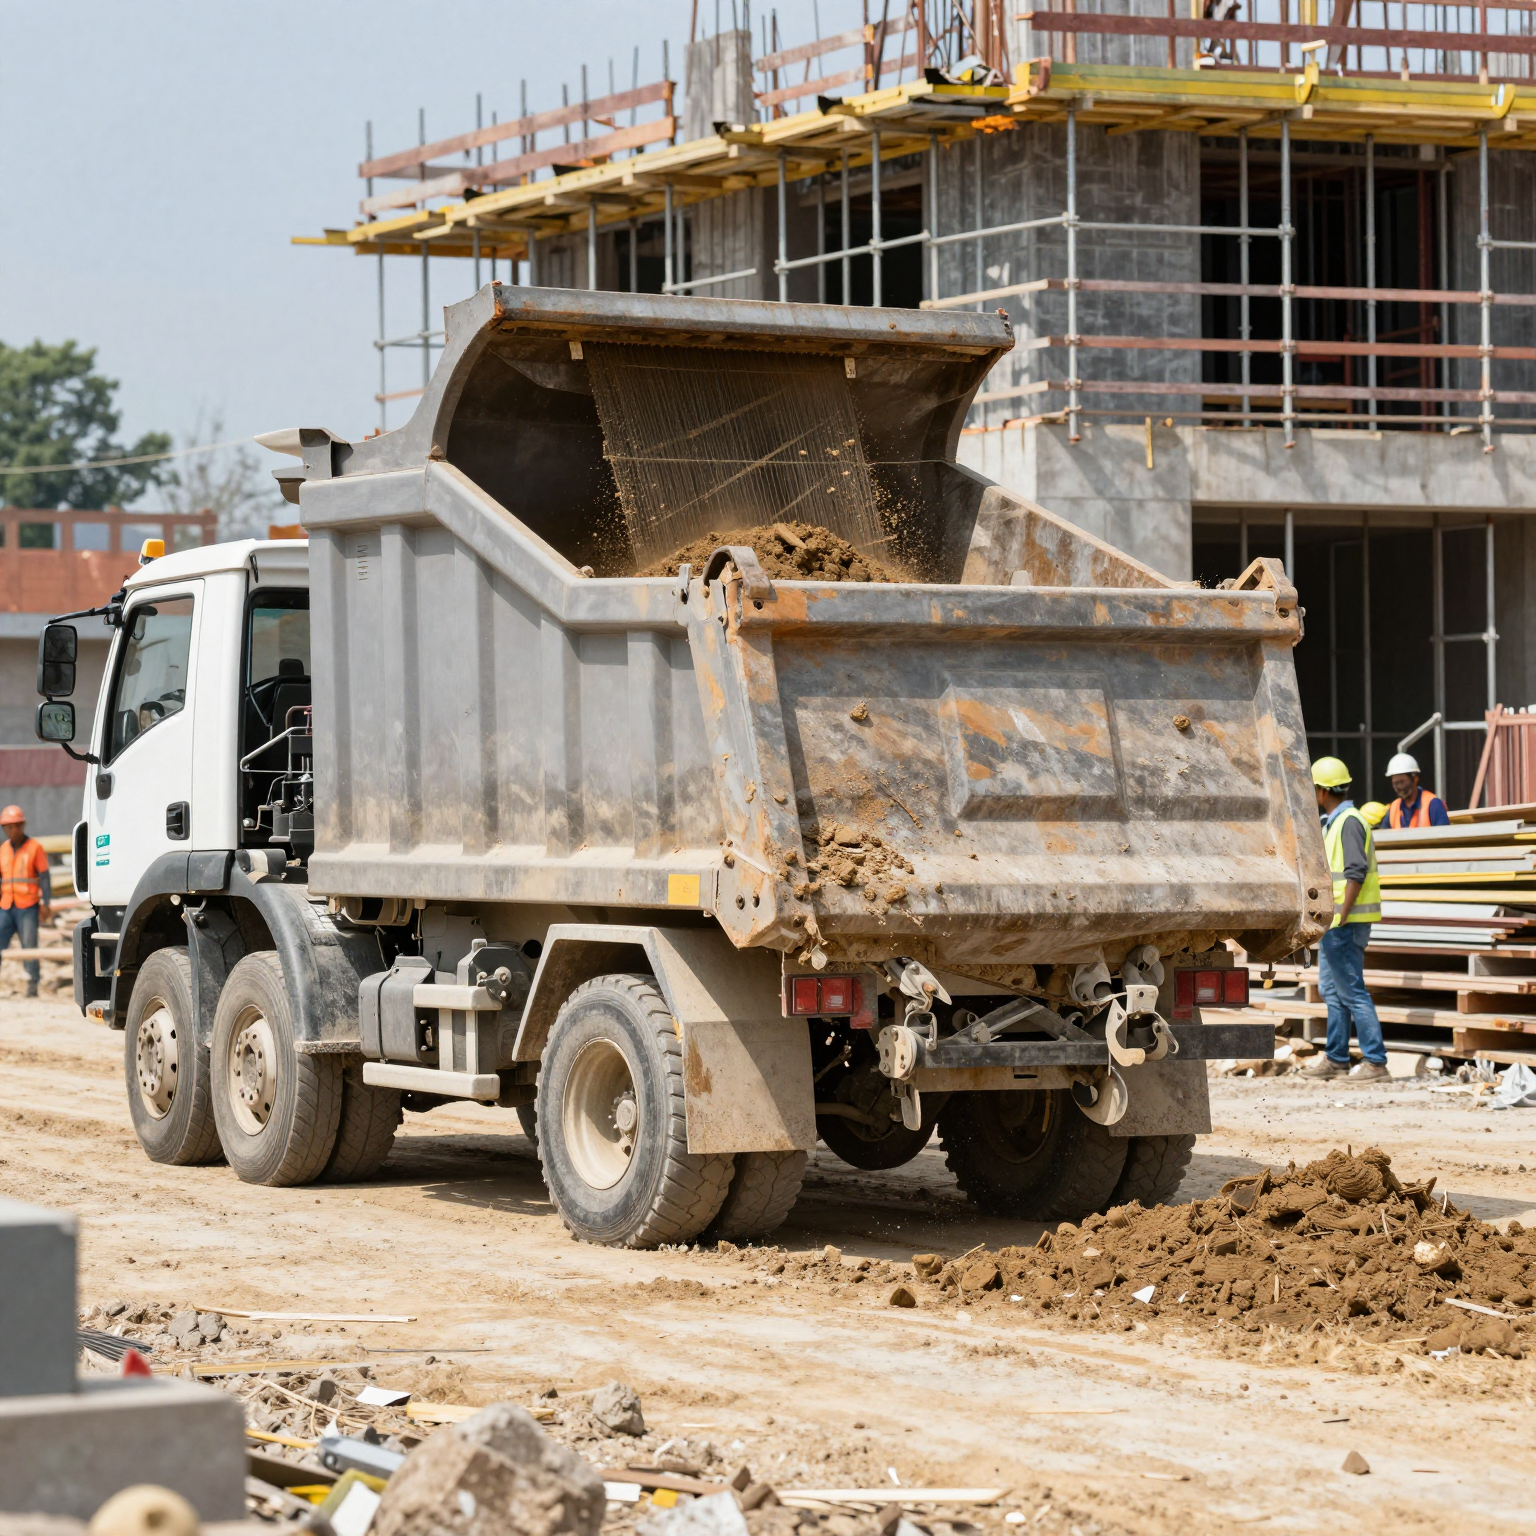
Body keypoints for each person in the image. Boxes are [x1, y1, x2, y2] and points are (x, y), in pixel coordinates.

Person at [1304, 758, 1389, 1082]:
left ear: (1323, 791)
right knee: (1332, 990)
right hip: (1336, 924)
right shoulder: (1334, 821)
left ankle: (1375, 1061)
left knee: (1352, 991)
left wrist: (1341, 914)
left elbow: (1355, 872)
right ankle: (1336, 1058)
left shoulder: (1349, 822)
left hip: (1345, 924)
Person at [0, 805, 52, 998]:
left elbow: (45, 877)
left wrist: (46, 903)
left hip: (27, 906)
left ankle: (32, 985)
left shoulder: (34, 848)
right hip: (6, 905)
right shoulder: (3, 849)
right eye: (9, 827)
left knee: (29, 946)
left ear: (22, 825)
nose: (13, 830)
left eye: (16, 825)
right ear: (4, 829)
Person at [1384, 752, 1448, 829]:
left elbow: (1443, 837)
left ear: (1415, 779)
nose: (1399, 786)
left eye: (1402, 782)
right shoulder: (1393, 809)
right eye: (1395, 783)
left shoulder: (1433, 804)